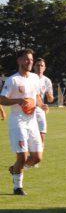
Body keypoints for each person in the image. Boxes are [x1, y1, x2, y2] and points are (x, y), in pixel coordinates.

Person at [0, 49, 48, 195]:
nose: (29, 62)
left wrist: (41, 105)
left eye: (31, 60)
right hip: (18, 122)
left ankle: (15, 169)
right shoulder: (13, 80)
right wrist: (19, 100)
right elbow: (2, 99)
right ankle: (17, 187)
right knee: (23, 156)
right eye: (27, 59)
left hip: (32, 122)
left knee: (37, 158)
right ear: (19, 60)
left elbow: (37, 96)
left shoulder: (34, 78)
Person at [33, 58, 54, 144]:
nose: (39, 67)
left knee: (42, 135)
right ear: (34, 67)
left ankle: (37, 155)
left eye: (42, 65)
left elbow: (51, 99)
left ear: (45, 68)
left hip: (40, 110)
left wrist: (49, 96)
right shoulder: (29, 78)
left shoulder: (47, 81)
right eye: (37, 65)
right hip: (27, 110)